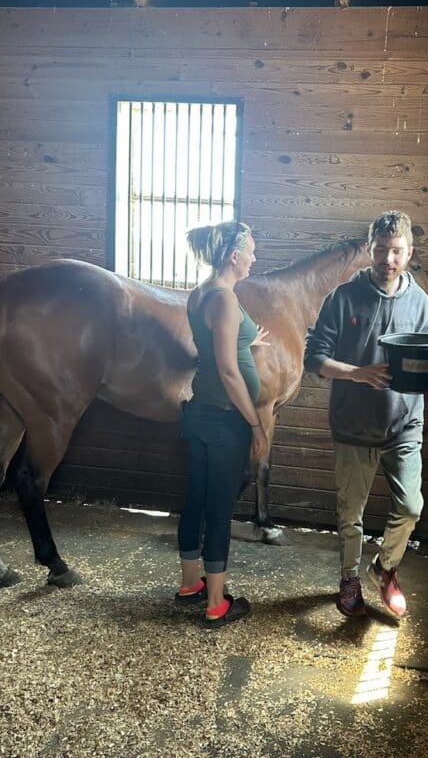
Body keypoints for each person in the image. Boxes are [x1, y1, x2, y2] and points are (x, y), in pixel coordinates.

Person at [304, 211, 428, 618]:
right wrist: (357, 373)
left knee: (410, 507)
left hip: (404, 424)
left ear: (410, 252)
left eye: (397, 251)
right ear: (369, 249)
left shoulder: (420, 303)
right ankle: (349, 578)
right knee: (350, 515)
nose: (389, 259)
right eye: (381, 249)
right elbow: (314, 358)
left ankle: (384, 569)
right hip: (353, 425)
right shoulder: (342, 298)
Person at [176, 221, 269, 628]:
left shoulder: (201, 292)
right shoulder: (226, 300)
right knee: (219, 509)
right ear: (234, 256)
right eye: (251, 251)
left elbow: (216, 345)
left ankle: (190, 584)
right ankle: (216, 603)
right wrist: (256, 424)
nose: (254, 258)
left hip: (199, 413)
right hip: (225, 419)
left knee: (197, 498)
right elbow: (229, 372)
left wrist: (247, 340)